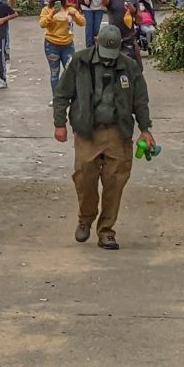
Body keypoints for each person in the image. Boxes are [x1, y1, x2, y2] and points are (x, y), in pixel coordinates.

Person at [52, 22, 155, 251]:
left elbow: (140, 99)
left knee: (115, 183)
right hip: (88, 131)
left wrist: (145, 128)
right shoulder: (80, 62)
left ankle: (106, 230)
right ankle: (85, 218)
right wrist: (60, 123)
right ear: (96, 42)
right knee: (84, 178)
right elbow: (62, 94)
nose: (109, 58)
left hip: (118, 132)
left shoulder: (129, 66)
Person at [39, 0, 85, 96]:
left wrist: (75, 14)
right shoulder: (47, 9)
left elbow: (82, 22)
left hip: (67, 45)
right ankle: (56, 97)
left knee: (70, 71)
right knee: (55, 72)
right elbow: (42, 24)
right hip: (52, 44)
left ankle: (71, 96)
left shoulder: (69, 9)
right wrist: (52, 14)